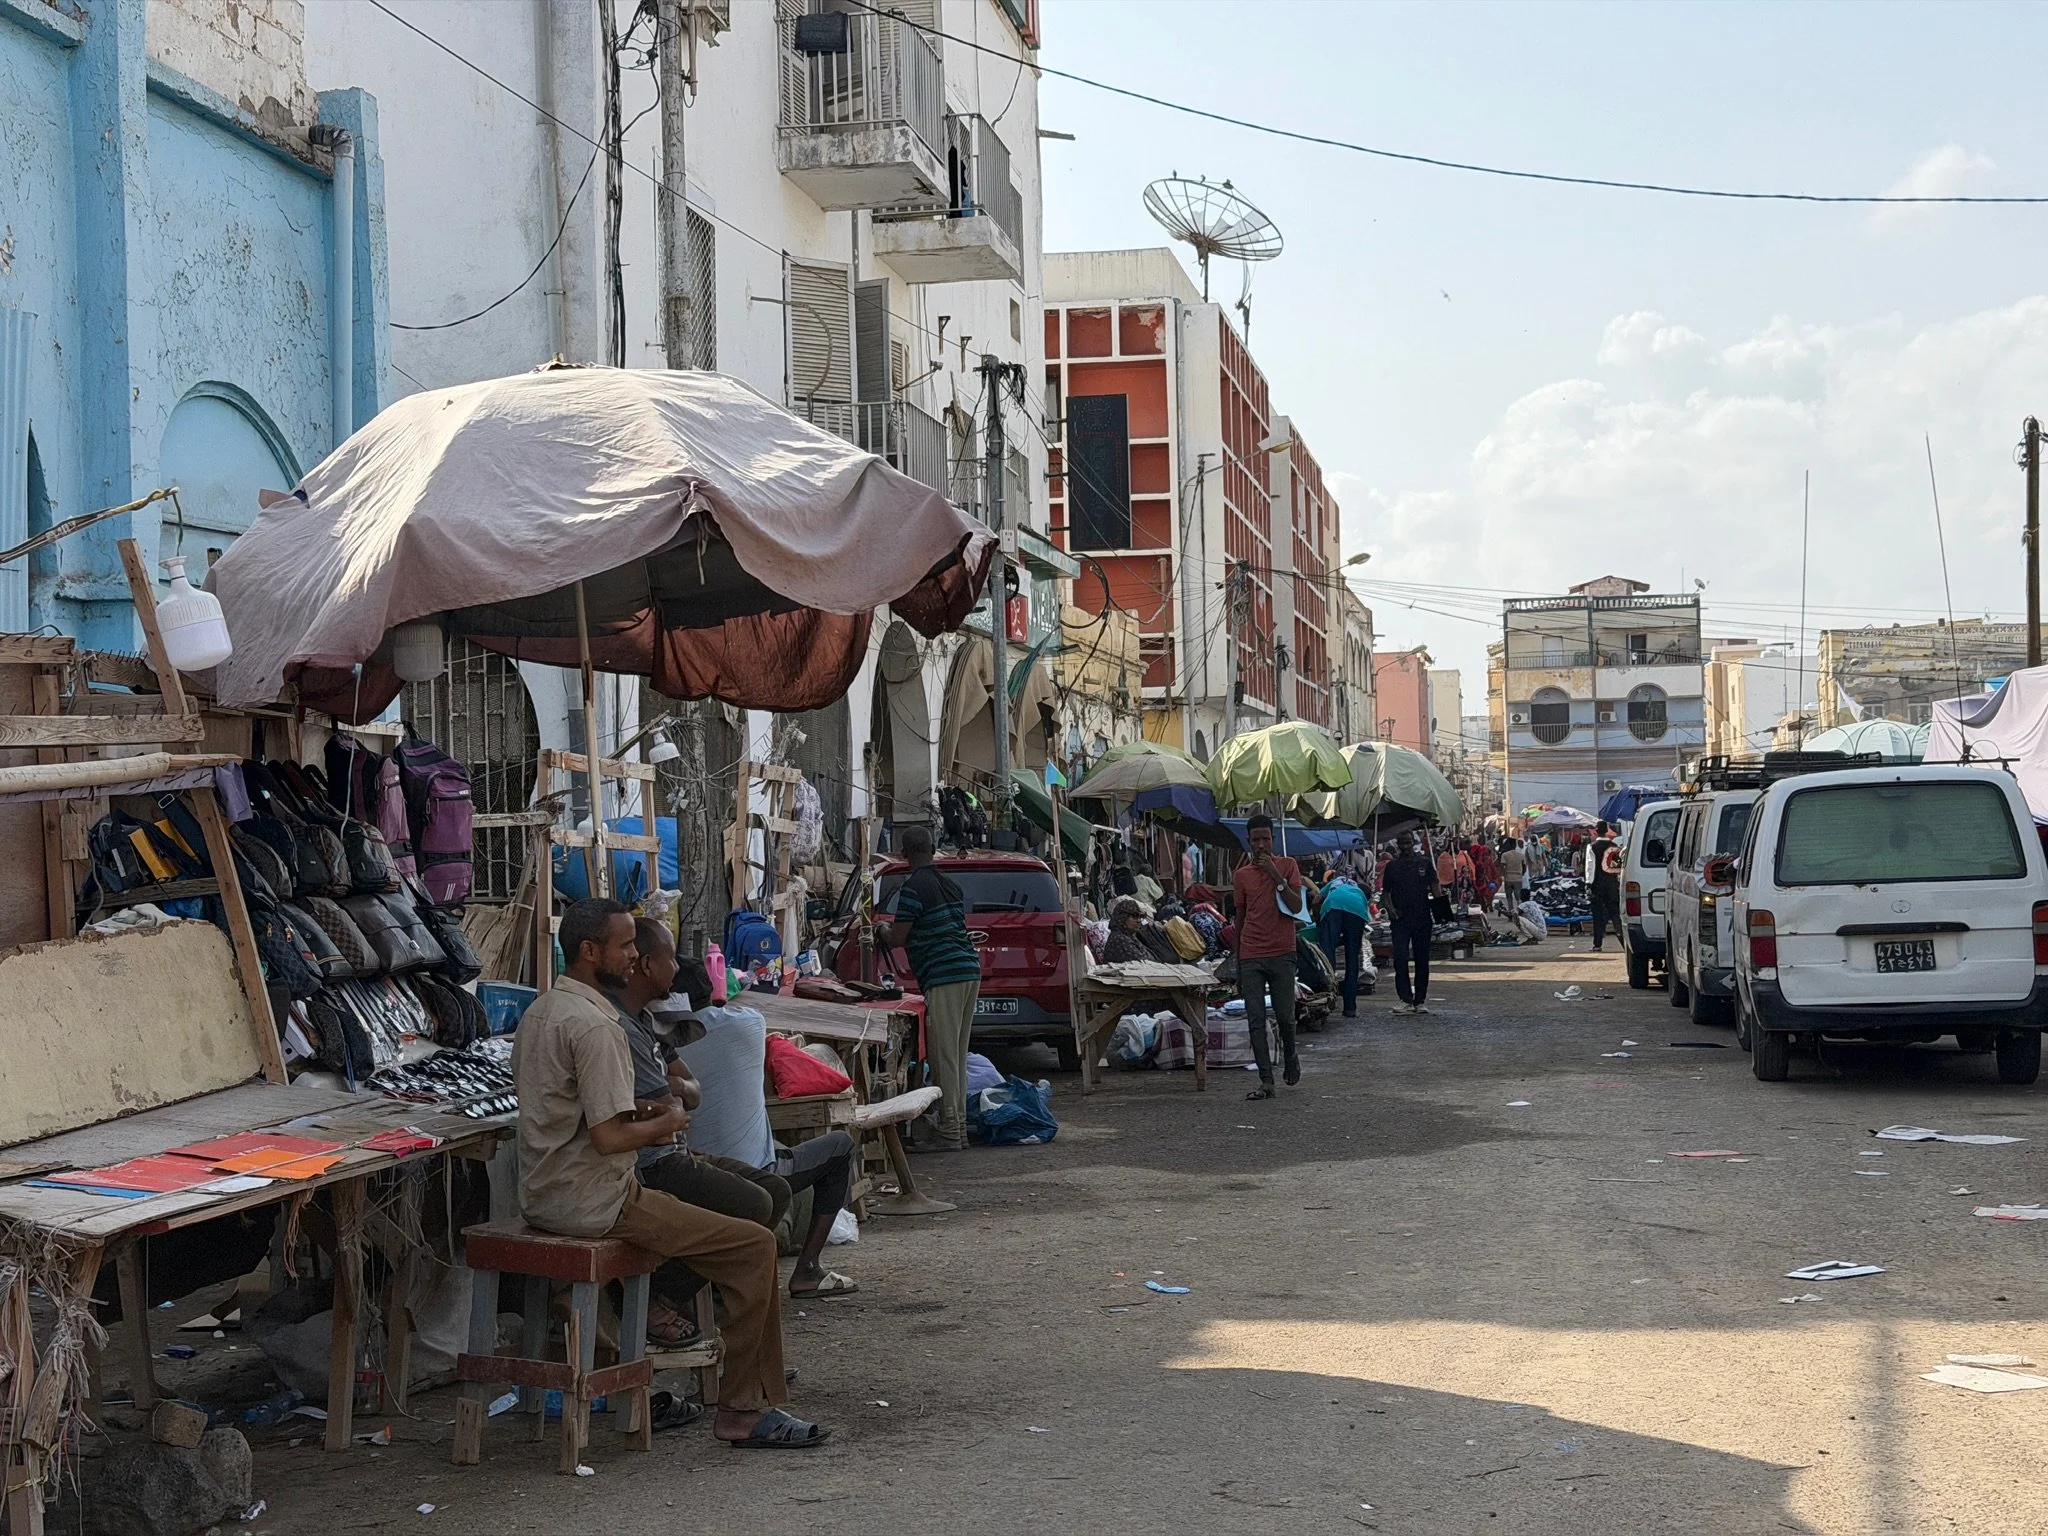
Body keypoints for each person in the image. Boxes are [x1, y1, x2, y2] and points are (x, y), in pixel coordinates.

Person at [512, 898, 826, 1449]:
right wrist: (672, 1120)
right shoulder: (597, 1026)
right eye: (625, 945)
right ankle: (744, 1411)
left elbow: (584, 1116)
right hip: (597, 1199)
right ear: (590, 952)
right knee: (754, 1247)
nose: (633, 956)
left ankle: (653, 1341)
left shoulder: (542, 1011)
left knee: (747, 1214)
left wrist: (648, 1115)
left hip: (545, 1192)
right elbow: (608, 1138)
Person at [611, 919, 785, 1344]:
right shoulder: (619, 1028)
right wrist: (672, 1100)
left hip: (676, 1150)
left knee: (775, 1194)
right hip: (649, 1163)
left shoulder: (649, 1023)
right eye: (670, 957)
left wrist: (674, 1096)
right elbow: (664, 1106)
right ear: (649, 964)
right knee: (755, 1209)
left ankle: (674, 1297)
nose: (676, 968)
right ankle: (658, 1296)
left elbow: (690, 1091)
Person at [882, 825, 982, 1148]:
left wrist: (881, 930)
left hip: (945, 975)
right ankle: (960, 1127)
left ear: (904, 854)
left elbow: (898, 938)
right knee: (957, 1054)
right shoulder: (949, 884)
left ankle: (950, 1130)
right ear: (933, 847)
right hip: (969, 971)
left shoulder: (913, 888)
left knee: (943, 1057)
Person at [1231, 813, 1305, 1100]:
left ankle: (1291, 1055)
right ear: (1248, 842)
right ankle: (1266, 1081)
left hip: (1282, 951)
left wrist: (1275, 875)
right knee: (1255, 1019)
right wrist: (1237, 960)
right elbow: (1240, 917)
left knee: (1286, 1017)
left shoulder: (1288, 866)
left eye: (1266, 839)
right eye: (1256, 840)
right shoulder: (1241, 876)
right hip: (1251, 953)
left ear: (1273, 840)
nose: (1261, 845)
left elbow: (1297, 906)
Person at [1380, 834, 1441, 1014]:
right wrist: (1391, 910)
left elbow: (1435, 886)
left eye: (1408, 843)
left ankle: (1420, 1000)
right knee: (1400, 958)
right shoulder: (1392, 867)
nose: (1405, 847)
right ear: (1397, 845)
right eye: (1402, 843)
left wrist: (1442, 912)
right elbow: (1386, 893)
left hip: (1422, 918)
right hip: (1400, 920)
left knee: (1422, 959)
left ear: (1413, 844)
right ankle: (1405, 999)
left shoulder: (1424, 863)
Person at [1318, 873, 1370, 1018]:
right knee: (1352, 959)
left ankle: (1326, 999)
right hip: (1357, 911)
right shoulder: (1358, 891)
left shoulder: (1335, 883)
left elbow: (1317, 899)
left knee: (1327, 956)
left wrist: (1318, 923)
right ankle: (1350, 1008)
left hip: (1333, 906)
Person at [1586, 819, 1623, 951]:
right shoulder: (1614, 847)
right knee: (1615, 914)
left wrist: (1588, 884)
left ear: (1596, 831)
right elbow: (1618, 867)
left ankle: (1597, 944)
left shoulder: (1592, 847)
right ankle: (1624, 942)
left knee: (1598, 915)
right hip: (1612, 884)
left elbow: (1590, 867)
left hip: (1597, 885)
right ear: (1607, 831)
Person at [1497, 837, 1528, 902]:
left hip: (1508, 878)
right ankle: (1519, 908)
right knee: (1518, 896)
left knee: (1509, 897)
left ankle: (1511, 910)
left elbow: (1502, 867)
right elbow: (1524, 867)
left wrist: (1503, 875)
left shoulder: (1504, 855)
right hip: (1518, 878)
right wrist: (1521, 874)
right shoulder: (1521, 855)